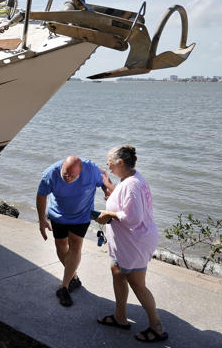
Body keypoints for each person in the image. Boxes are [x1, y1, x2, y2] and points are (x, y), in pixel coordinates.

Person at [96, 145, 168, 343]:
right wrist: (109, 186)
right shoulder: (130, 179)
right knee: (117, 272)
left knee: (137, 284)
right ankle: (120, 317)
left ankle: (157, 327)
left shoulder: (131, 184)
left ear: (120, 162)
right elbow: (127, 203)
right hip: (126, 241)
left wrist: (109, 214)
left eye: (109, 163)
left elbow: (133, 218)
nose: (107, 165)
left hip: (136, 241)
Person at [37, 155, 113, 307]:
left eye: (73, 176)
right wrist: (42, 220)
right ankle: (74, 277)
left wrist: (107, 191)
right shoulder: (50, 173)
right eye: (66, 175)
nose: (69, 178)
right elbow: (41, 196)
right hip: (58, 215)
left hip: (82, 215)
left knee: (76, 246)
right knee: (61, 247)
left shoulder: (91, 169)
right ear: (61, 168)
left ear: (81, 171)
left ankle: (63, 287)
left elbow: (104, 181)